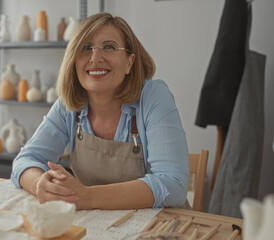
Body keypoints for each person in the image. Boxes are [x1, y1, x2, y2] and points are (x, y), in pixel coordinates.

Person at [11, 12, 189, 210]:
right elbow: (26, 160)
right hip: (95, 221)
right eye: (86, 48)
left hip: (159, 226)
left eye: (109, 47)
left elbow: (174, 185)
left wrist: (89, 197)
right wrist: (39, 184)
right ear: (74, 60)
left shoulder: (154, 96)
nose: (95, 58)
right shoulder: (69, 105)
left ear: (129, 62)